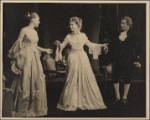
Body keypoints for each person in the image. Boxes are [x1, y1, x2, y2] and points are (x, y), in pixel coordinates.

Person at [54, 16, 107, 111]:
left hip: (82, 57)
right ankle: (72, 101)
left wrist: (101, 45)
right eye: (70, 25)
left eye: (72, 25)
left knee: (85, 77)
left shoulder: (83, 35)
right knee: (72, 78)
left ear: (78, 25)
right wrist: (59, 45)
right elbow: (62, 45)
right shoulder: (68, 36)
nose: (70, 26)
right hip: (73, 58)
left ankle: (83, 100)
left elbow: (90, 44)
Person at [8, 12, 53, 117]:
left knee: (36, 80)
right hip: (26, 58)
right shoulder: (24, 30)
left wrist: (45, 50)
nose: (39, 21)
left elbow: (35, 46)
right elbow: (18, 45)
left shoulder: (34, 32)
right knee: (25, 81)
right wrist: (18, 60)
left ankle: (33, 108)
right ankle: (22, 109)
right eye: (38, 19)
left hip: (34, 58)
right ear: (32, 19)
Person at [105, 16, 141, 105]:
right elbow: (112, 49)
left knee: (127, 78)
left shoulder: (134, 35)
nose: (121, 25)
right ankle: (117, 96)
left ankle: (124, 97)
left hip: (128, 60)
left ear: (128, 25)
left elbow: (138, 49)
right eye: (121, 23)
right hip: (117, 60)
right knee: (115, 77)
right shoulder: (116, 35)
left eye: (123, 23)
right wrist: (109, 62)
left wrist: (137, 60)